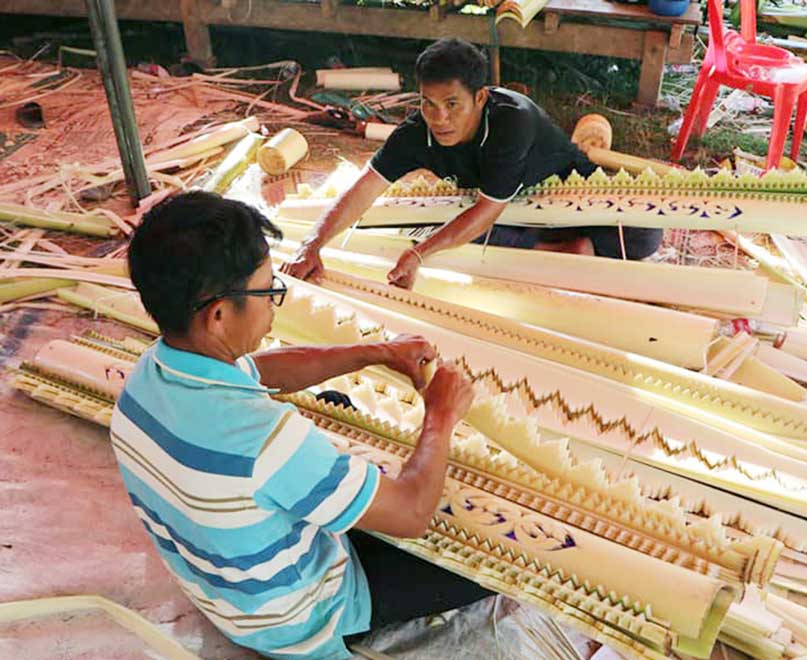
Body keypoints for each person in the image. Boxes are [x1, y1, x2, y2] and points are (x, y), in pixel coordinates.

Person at [112, 191, 491, 659]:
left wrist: (372, 352)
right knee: (485, 559)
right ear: (217, 315)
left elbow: (263, 371)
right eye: (268, 292)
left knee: (332, 404)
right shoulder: (266, 439)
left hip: (228, 598)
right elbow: (412, 516)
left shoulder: (145, 381)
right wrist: (441, 416)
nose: (275, 306)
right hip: (299, 620)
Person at [282, 38, 662, 289]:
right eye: (428, 103)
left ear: (480, 98)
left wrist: (419, 254)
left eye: (452, 105)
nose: (439, 118)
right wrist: (313, 244)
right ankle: (559, 253)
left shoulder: (513, 121)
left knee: (646, 234)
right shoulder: (416, 133)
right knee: (429, 226)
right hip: (504, 207)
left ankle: (561, 247)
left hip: (564, 193)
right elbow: (366, 186)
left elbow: (485, 210)